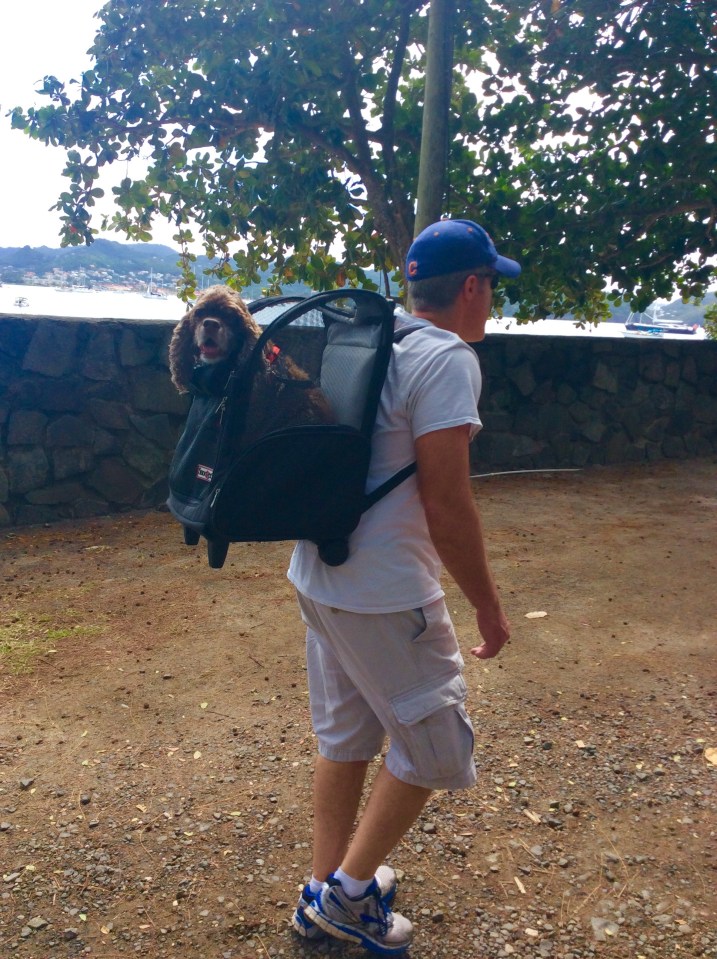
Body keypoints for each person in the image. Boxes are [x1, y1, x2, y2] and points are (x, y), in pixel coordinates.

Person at [287, 218, 520, 954]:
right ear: (473, 287)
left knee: (347, 735)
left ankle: (322, 889)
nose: (492, 304)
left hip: (318, 572)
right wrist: (486, 604)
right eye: (493, 288)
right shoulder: (445, 358)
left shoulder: (372, 335)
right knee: (436, 748)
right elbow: (446, 505)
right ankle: (351, 897)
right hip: (385, 592)